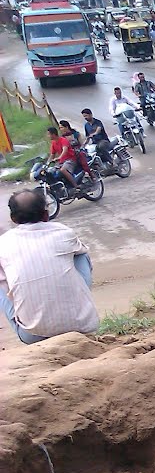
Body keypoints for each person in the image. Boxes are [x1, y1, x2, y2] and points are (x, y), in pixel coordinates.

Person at [0, 190, 99, 345]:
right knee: (81, 254)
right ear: (46, 215)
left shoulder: (3, 243)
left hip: (33, 335)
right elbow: (80, 251)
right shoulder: (63, 232)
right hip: (81, 325)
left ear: (13, 219)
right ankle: (79, 303)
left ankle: (26, 318)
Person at [45, 127, 80, 192]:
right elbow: (52, 154)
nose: (48, 136)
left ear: (53, 134)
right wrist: (47, 164)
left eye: (49, 134)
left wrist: (59, 157)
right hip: (62, 162)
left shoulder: (63, 140)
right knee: (52, 172)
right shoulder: (53, 143)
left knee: (63, 170)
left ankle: (76, 185)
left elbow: (65, 150)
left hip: (70, 159)